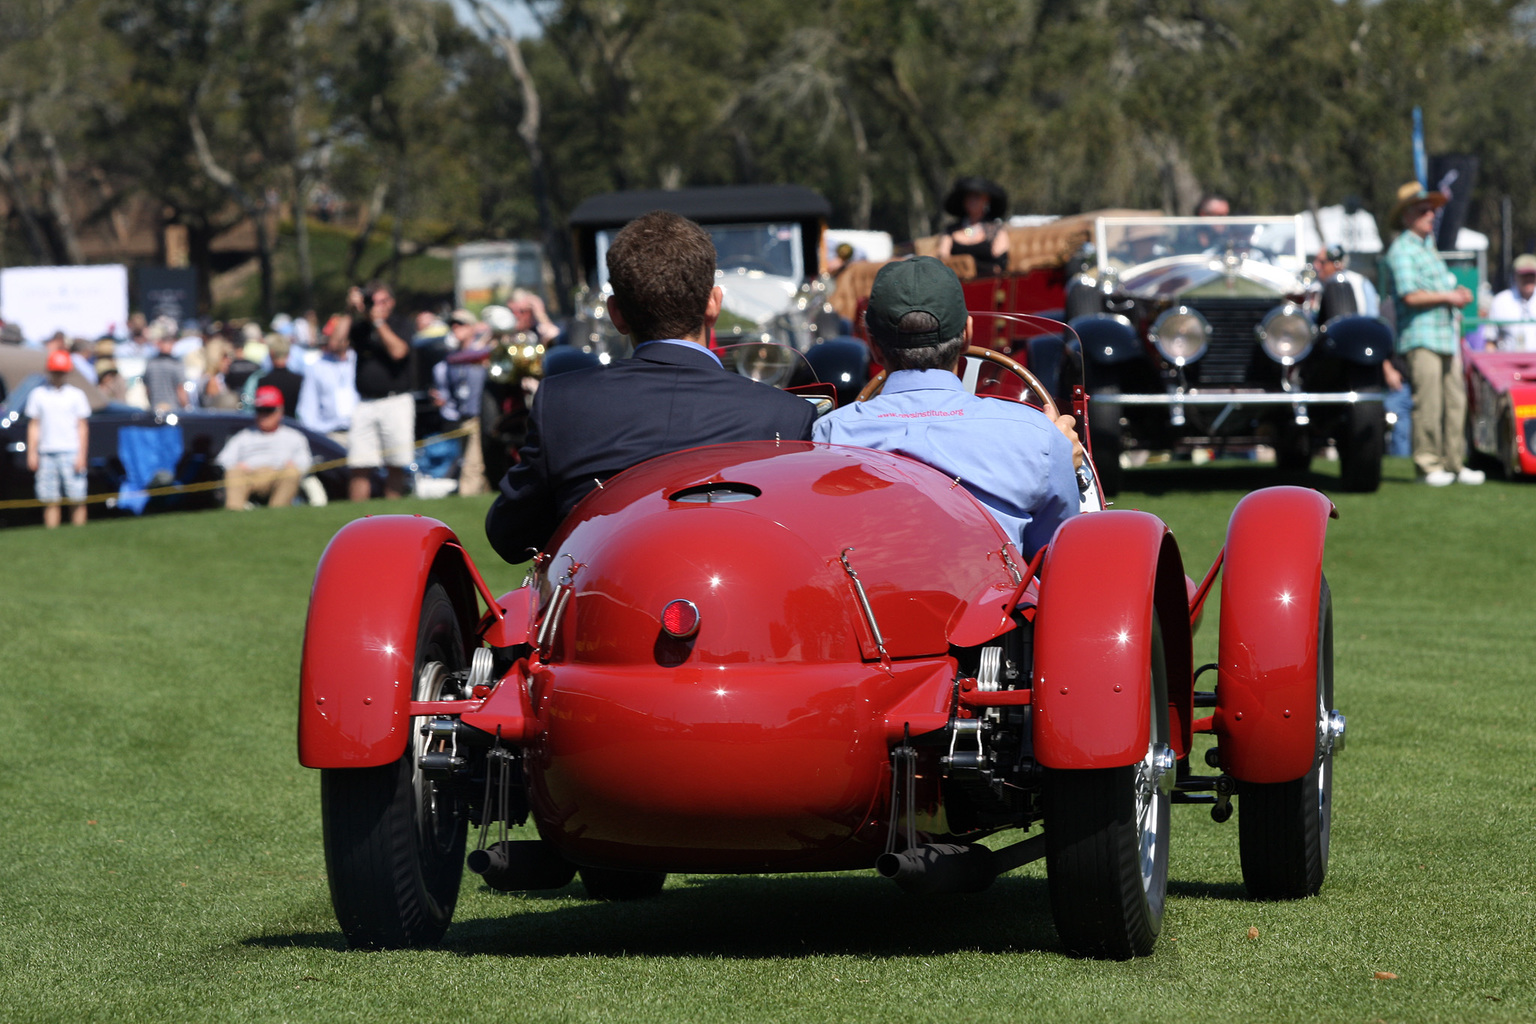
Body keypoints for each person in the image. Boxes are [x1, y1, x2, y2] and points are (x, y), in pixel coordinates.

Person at [485, 210, 818, 563]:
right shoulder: (785, 416)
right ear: (714, 304)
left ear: (616, 314)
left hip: (602, 601)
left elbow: (510, 536)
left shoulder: (562, 403)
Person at [812, 256, 1078, 557]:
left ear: (872, 344)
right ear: (967, 334)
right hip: (995, 601)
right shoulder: (1037, 436)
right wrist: (1059, 457)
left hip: (873, 600)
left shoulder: (830, 435)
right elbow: (1052, 549)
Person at [1381, 180, 1483, 486]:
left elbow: (1439, 289)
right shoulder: (1401, 250)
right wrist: (1450, 297)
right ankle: (1428, 465)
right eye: (1424, 210)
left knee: (1456, 401)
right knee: (1429, 402)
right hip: (1420, 338)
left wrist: (1456, 292)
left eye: (1432, 210)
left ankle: (1454, 463)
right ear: (1407, 216)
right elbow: (1410, 295)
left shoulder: (1429, 248)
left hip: (1445, 337)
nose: (1432, 215)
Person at [335, 281, 415, 501]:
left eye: (381, 301)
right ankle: (359, 518)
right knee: (359, 464)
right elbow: (335, 345)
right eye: (372, 301)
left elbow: (399, 351)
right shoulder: (360, 327)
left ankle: (394, 514)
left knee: (396, 463)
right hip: (365, 402)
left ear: (391, 302)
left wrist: (378, 321)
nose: (375, 306)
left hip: (395, 400)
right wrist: (348, 311)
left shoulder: (400, 323)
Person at [214, 385, 313, 510]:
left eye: (269, 410)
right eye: (260, 410)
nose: (264, 415)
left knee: (292, 473)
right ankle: (234, 514)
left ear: (280, 411)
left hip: (278, 474)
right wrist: (237, 466)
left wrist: (291, 465)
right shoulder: (244, 436)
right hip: (250, 475)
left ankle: (277, 513)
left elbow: (305, 462)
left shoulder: (294, 437)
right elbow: (223, 460)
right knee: (233, 473)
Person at [25, 349, 91, 528]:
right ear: (49, 371)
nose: (58, 375)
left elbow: (82, 427)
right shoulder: (38, 394)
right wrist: (32, 453)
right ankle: (52, 536)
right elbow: (34, 425)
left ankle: (79, 534)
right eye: (55, 371)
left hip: (71, 451)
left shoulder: (76, 395)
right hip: (46, 452)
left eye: (61, 372)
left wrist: (82, 455)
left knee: (77, 497)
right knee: (49, 499)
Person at [431, 309, 490, 496]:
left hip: (482, 416)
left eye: (461, 323)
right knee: (470, 461)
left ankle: (467, 494)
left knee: (472, 464)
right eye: (453, 324)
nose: (455, 327)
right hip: (462, 416)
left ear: (472, 327)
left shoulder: (482, 352)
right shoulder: (451, 358)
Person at [295, 320, 358, 444]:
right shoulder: (316, 367)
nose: (332, 340)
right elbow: (308, 407)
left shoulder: (359, 361)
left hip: (362, 432)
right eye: (329, 337)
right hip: (331, 435)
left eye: (335, 336)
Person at [935, 176, 1010, 277]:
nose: (972, 201)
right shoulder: (951, 231)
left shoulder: (996, 230)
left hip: (987, 282)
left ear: (986, 200)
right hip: (956, 283)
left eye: (977, 196)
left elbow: (1000, 266)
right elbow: (943, 258)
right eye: (969, 197)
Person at [243, 333, 303, 417]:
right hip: (293, 425)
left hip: (268, 426)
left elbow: (248, 405)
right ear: (288, 355)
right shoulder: (299, 380)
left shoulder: (261, 380)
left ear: (271, 353)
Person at [1486, 253, 1536, 352]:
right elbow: (1490, 341)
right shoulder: (1500, 301)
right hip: (1508, 362)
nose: (1528, 280)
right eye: (1524, 275)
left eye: (1532, 275)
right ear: (1515, 276)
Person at [143, 324, 189, 412]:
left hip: (154, 409)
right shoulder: (176, 365)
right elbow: (181, 390)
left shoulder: (150, 364)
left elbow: (147, 390)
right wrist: (186, 408)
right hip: (173, 410)